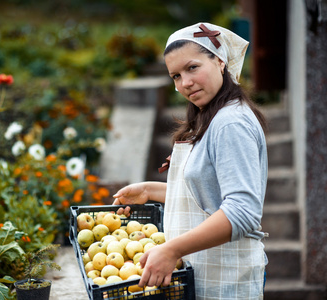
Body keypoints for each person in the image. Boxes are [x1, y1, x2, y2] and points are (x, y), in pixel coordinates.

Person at [112, 22, 268, 300]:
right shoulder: (212, 117)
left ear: (220, 62)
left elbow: (242, 211)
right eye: (176, 76)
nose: (185, 83)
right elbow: (209, 198)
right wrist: (150, 191)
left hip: (226, 282)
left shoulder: (230, 123)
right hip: (205, 275)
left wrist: (172, 250)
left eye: (193, 68)